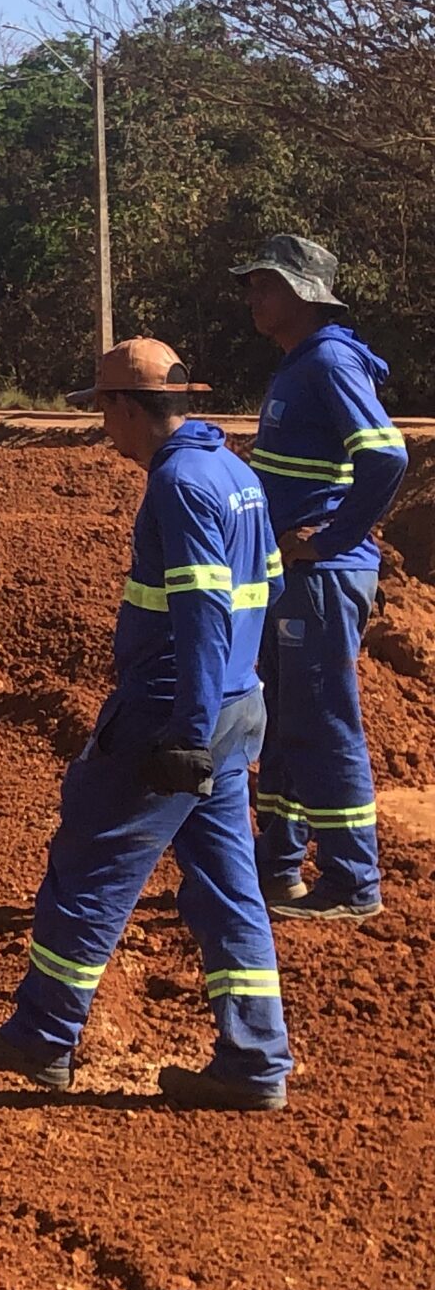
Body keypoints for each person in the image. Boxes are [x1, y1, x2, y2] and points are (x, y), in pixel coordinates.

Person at [0, 338, 292, 1110]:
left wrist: (188, 729)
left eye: (102, 408)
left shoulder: (178, 484)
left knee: (90, 865)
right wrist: (240, 700)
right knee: (229, 887)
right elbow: (266, 589)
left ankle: (41, 1037)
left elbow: (202, 610)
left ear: (127, 408)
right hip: (236, 706)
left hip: (173, 712)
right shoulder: (236, 473)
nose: (101, 427)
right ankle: (256, 1060)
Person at [233, 233, 410, 922]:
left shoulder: (330, 361)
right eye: (251, 284)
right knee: (282, 723)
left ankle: (352, 881)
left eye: (265, 284)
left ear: (303, 295)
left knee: (325, 725)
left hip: (324, 577)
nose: (253, 297)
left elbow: (386, 457)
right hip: (295, 578)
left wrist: (333, 538)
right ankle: (278, 868)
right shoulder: (301, 363)